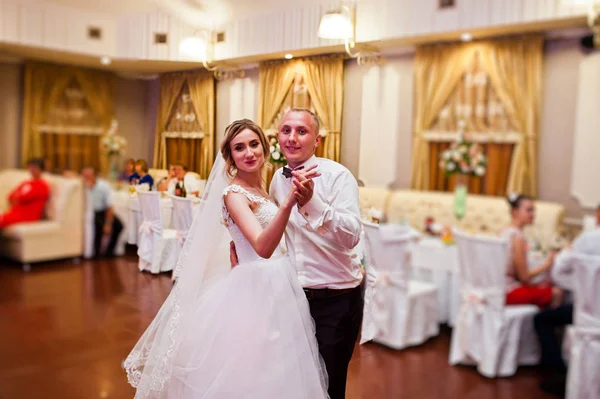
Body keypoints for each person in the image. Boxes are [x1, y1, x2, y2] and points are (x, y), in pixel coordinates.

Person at [124, 119, 328, 398]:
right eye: (239, 148)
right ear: (230, 156)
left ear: (264, 146)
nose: (249, 153)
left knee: (279, 367)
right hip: (255, 287)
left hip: (279, 283)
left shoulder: (262, 188)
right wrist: (290, 201)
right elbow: (262, 246)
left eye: (254, 144)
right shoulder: (233, 193)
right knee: (251, 370)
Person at [234, 108, 364, 399]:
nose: (292, 138)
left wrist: (312, 203)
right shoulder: (277, 181)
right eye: (286, 130)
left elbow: (352, 236)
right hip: (293, 298)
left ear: (316, 140)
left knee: (329, 386)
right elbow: (276, 236)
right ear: (278, 137)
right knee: (297, 382)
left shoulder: (338, 177)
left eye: (301, 131)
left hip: (336, 299)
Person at [534, 204, 600, 396]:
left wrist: (582, 288)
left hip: (588, 318)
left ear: (598, 216)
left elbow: (558, 273)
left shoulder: (586, 241)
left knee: (542, 319)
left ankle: (559, 373)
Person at [502, 193, 563, 309]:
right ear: (515, 212)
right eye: (529, 211)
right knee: (557, 292)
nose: (533, 215)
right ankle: (544, 324)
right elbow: (523, 278)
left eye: (534, 210)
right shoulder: (517, 236)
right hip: (508, 292)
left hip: (497, 290)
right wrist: (547, 264)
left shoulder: (504, 230)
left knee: (543, 285)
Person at [81, 167, 123, 258]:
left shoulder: (103, 186)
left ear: (95, 176)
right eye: (85, 176)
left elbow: (109, 206)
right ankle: (96, 254)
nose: (87, 178)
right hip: (91, 213)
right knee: (96, 226)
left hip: (102, 211)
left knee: (119, 225)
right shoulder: (82, 186)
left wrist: (108, 223)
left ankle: (109, 252)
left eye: (89, 176)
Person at [0, 158, 50, 229]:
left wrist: (17, 197)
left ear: (41, 169)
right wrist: (17, 197)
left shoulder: (42, 186)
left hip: (28, 216)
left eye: (35, 167)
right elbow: (10, 196)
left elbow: (24, 198)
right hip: (15, 213)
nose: (32, 169)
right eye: (30, 167)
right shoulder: (26, 183)